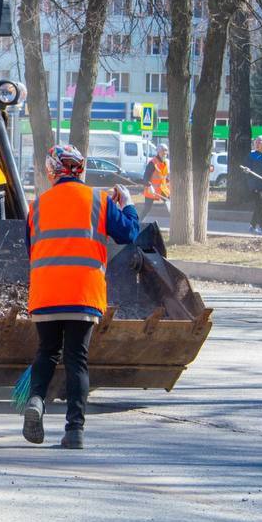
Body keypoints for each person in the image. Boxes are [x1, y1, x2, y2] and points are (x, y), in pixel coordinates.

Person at [21, 145, 140, 450]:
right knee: (76, 360)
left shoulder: (37, 205)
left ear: (52, 171)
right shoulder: (99, 200)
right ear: (80, 169)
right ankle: (74, 430)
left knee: (46, 351)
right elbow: (128, 234)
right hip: (83, 293)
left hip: (46, 292)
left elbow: (30, 248)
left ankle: (36, 400)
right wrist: (127, 205)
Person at [140, 143, 170, 221]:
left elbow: (164, 176)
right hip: (151, 190)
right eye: (163, 152)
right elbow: (145, 178)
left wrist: (168, 180)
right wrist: (149, 186)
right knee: (147, 209)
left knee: (171, 202)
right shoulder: (152, 163)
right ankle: (138, 222)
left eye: (166, 152)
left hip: (162, 189)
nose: (165, 154)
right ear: (158, 152)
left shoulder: (165, 163)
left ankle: (176, 219)